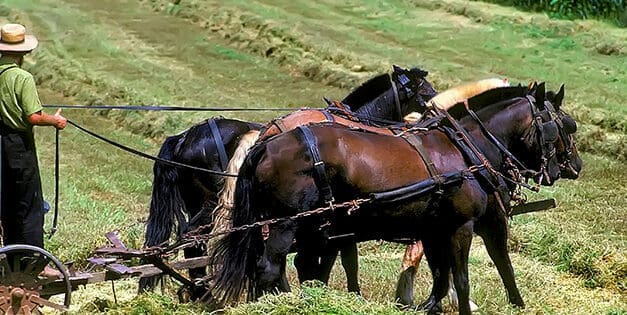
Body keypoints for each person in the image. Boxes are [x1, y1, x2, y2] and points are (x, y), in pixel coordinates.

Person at [0, 23, 66, 269]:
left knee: (9, 203)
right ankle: (36, 262)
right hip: (19, 146)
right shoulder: (22, 77)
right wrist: (55, 120)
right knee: (31, 204)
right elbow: (33, 117)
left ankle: (13, 256)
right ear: (23, 52)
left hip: (1, 144)